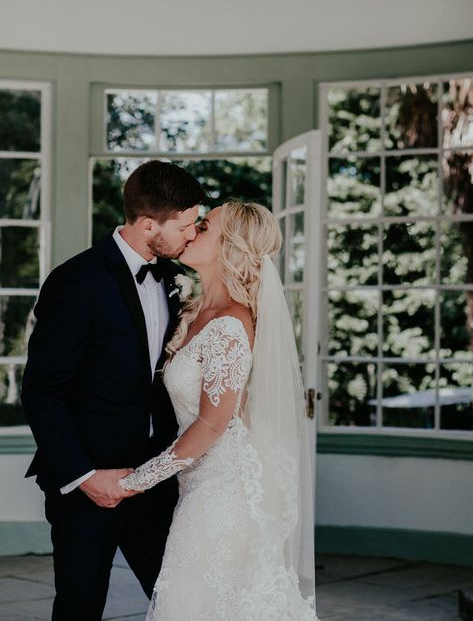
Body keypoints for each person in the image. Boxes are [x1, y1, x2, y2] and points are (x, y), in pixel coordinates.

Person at [21, 160, 206, 620]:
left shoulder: (173, 279)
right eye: (184, 225)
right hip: (86, 487)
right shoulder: (75, 280)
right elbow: (43, 391)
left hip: (155, 481)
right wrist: (86, 476)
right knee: (79, 607)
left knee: (180, 604)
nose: (193, 234)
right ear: (148, 224)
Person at [119, 201, 319, 620]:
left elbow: (212, 424)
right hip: (198, 485)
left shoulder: (229, 324)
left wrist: (134, 482)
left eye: (204, 226)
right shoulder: (196, 312)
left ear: (231, 246)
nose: (192, 231)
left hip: (223, 495)